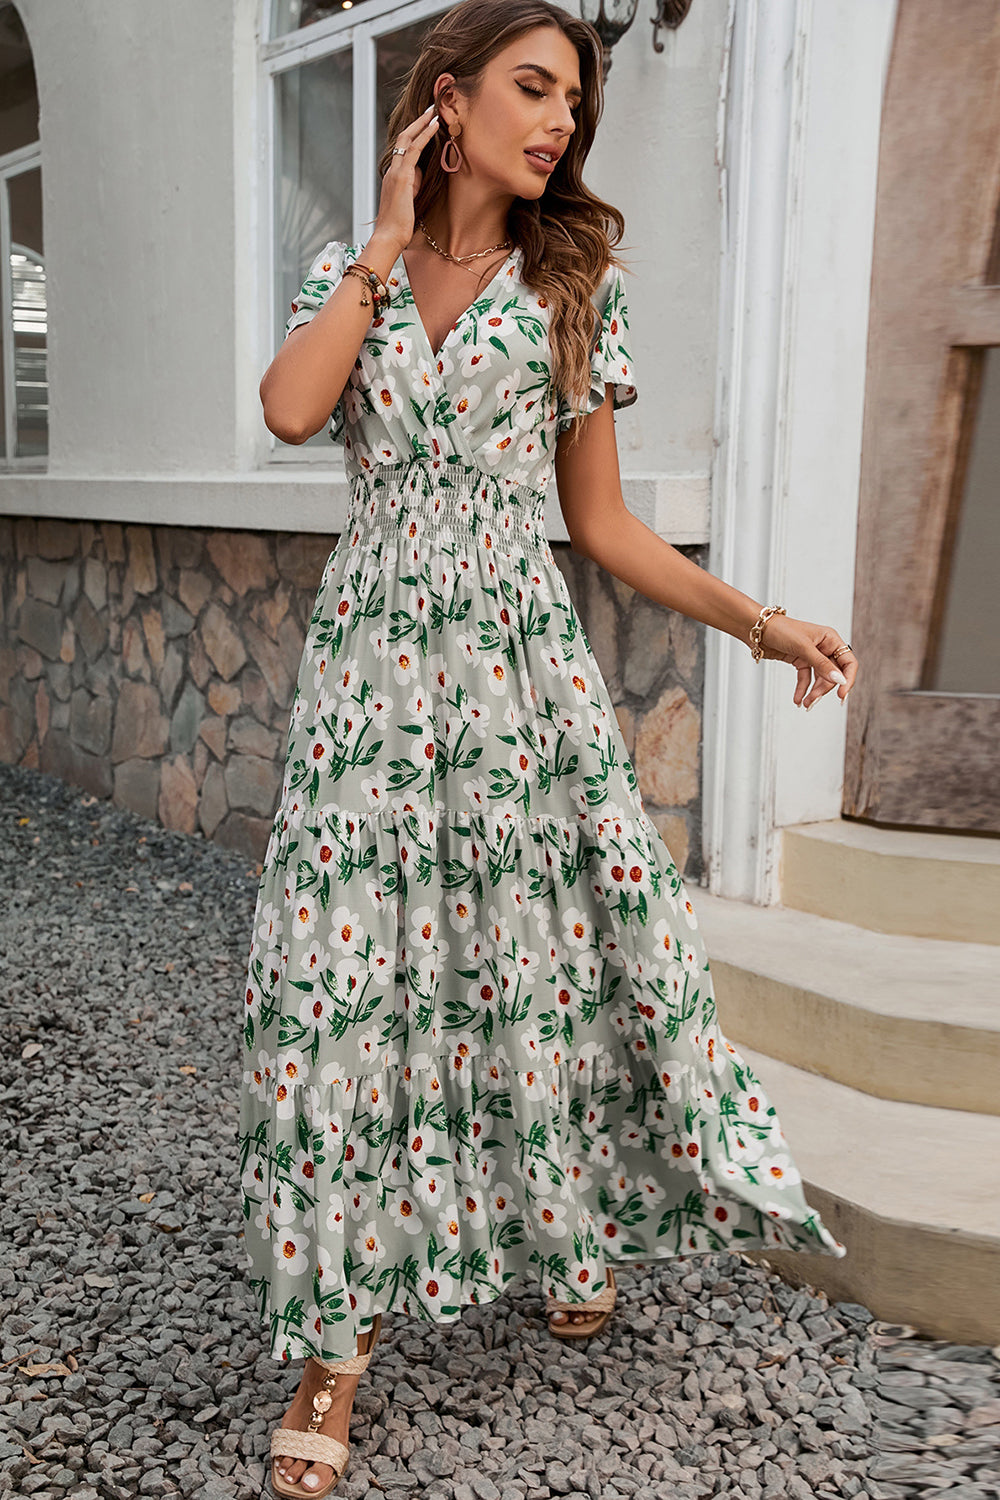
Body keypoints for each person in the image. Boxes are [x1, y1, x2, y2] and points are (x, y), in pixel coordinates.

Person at [240, 2, 856, 1494]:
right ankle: (335, 1348)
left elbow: (603, 524)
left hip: (518, 676)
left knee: (543, 960)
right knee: (338, 993)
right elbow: (291, 410)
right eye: (532, 88)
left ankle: (568, 1228)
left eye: (573, 99)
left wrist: (762, 624)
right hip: (372, 680)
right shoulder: (355, 274)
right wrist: (383, 242)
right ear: (446, 104)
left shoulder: (577, 285)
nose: (561, 119)